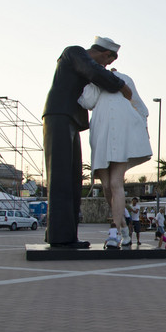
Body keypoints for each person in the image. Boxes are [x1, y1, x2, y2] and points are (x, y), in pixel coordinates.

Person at [43, 36, 132, 248]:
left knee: (72, 178)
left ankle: (65, 236)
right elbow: (94, 71)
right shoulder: (74, 52)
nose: (106, 66)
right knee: (61, 177)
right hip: (59, 115)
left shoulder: (83, 63)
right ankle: (60, 238)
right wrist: (120, 84)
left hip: (70, 120)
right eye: (107, 62)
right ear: (105, 54)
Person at [78, 64, 151, 247]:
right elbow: (87, 102)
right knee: (107, 187)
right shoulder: (96, 81)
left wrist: (143, 128)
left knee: (115, 183)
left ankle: (114, 231)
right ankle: (124, 227)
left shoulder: (124, 80)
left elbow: (138, 103)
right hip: (101, 135)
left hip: (121, 136)